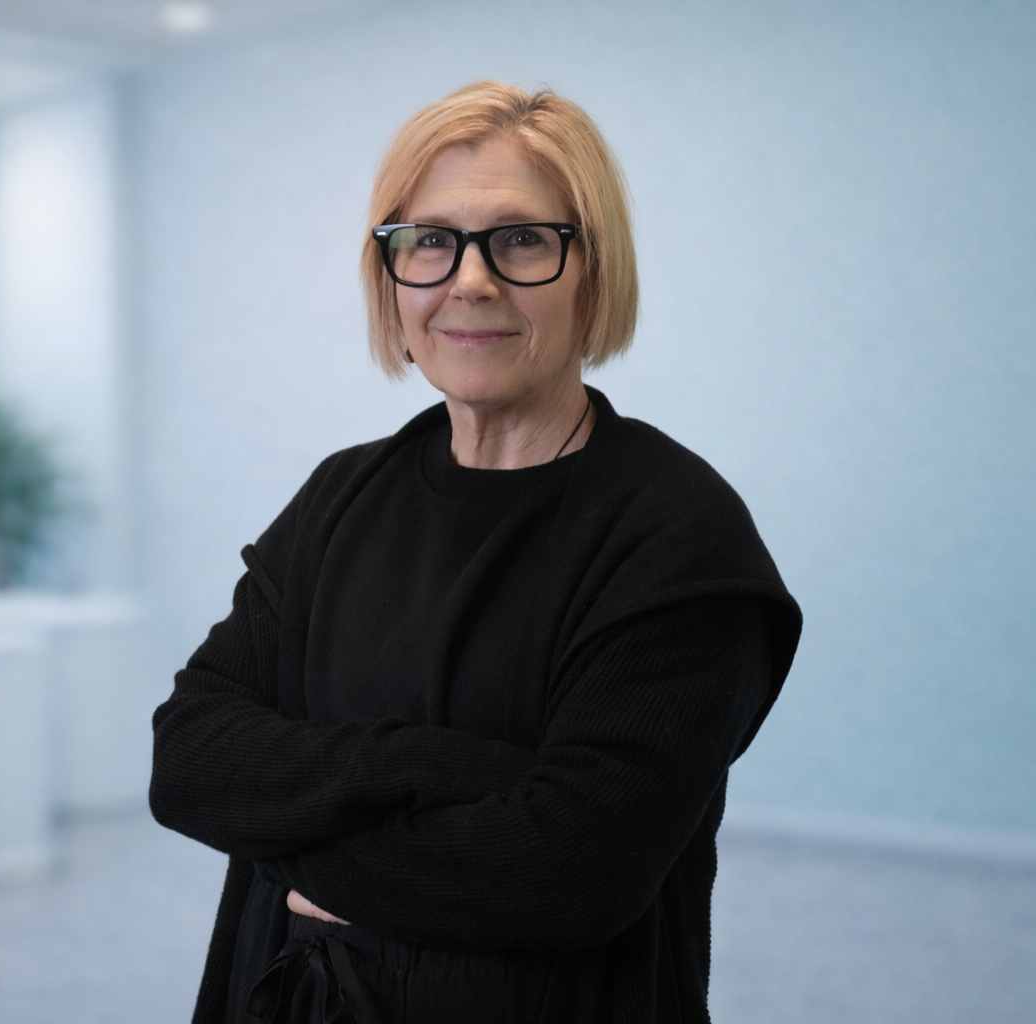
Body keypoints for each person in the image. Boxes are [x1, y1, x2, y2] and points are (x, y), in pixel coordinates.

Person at [150, 80, 803, 1024]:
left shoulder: (678, 536)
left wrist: (283, 831)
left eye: (523, 239)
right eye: (430, 241)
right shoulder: (342, 495)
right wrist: (437, 767)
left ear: (595, 271)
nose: (470, 281)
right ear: (392, 273)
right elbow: (189, 762)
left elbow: (570, 876)